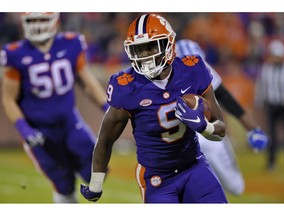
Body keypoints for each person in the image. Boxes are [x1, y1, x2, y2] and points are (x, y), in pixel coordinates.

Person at [80, 13, 228, 203]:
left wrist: (204, 126)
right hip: (157, 178)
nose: (144, 56)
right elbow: (106, 138)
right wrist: (96, 184)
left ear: (168, 45)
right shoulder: (126, 85)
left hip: (194, 167)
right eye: (138, 50)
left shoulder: (193, 69)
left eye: (150, 47)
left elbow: (220, 128)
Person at [0, 12, 109, 203]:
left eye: (42, 19)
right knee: (64, 184)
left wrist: (108, 108)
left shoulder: (71, 43)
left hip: (70, 123)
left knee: (97, 172)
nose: (37, 25)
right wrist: (24, 130)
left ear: (55, 22)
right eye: (32, 20)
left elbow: (87, 82)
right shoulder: (15, 52)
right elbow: (8, 99)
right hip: (39, 131)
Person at [175, 39, 269, 195]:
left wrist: (253, 129)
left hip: (208, 131)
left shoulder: (204, 69)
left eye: (194, 61)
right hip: (180, 137)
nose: (190, 67)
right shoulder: (162, 77)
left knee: (235, 186)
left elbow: (226, 99)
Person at [254, 39, 284, 170]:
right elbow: (261, 87)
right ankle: (271, 162)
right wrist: (259, 102)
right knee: (272, 135)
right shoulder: (266, 68)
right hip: (271, 105)